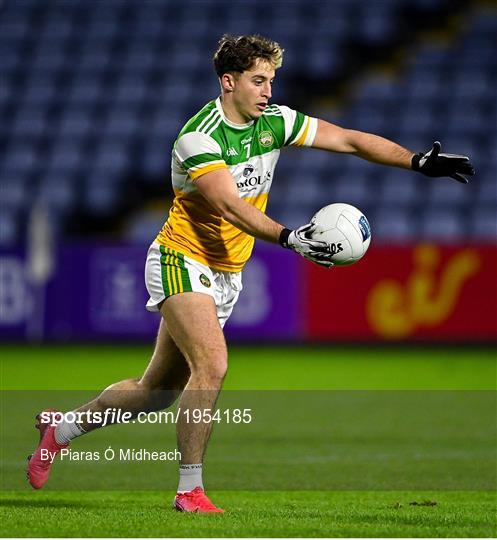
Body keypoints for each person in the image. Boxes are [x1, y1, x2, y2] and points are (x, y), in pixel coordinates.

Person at [27, 34, 474, 512]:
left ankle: (61, 428)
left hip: (226, 273)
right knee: (213, 366)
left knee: (154, 393)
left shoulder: (275, 122)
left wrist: (416, 161)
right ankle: (189, 491)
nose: (268, 91)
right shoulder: (198, 138)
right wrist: (289, 238)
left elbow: (349, 140)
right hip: (181, 257)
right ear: (228, 81)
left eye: (271, 81)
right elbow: (228, 205)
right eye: (259, 81)